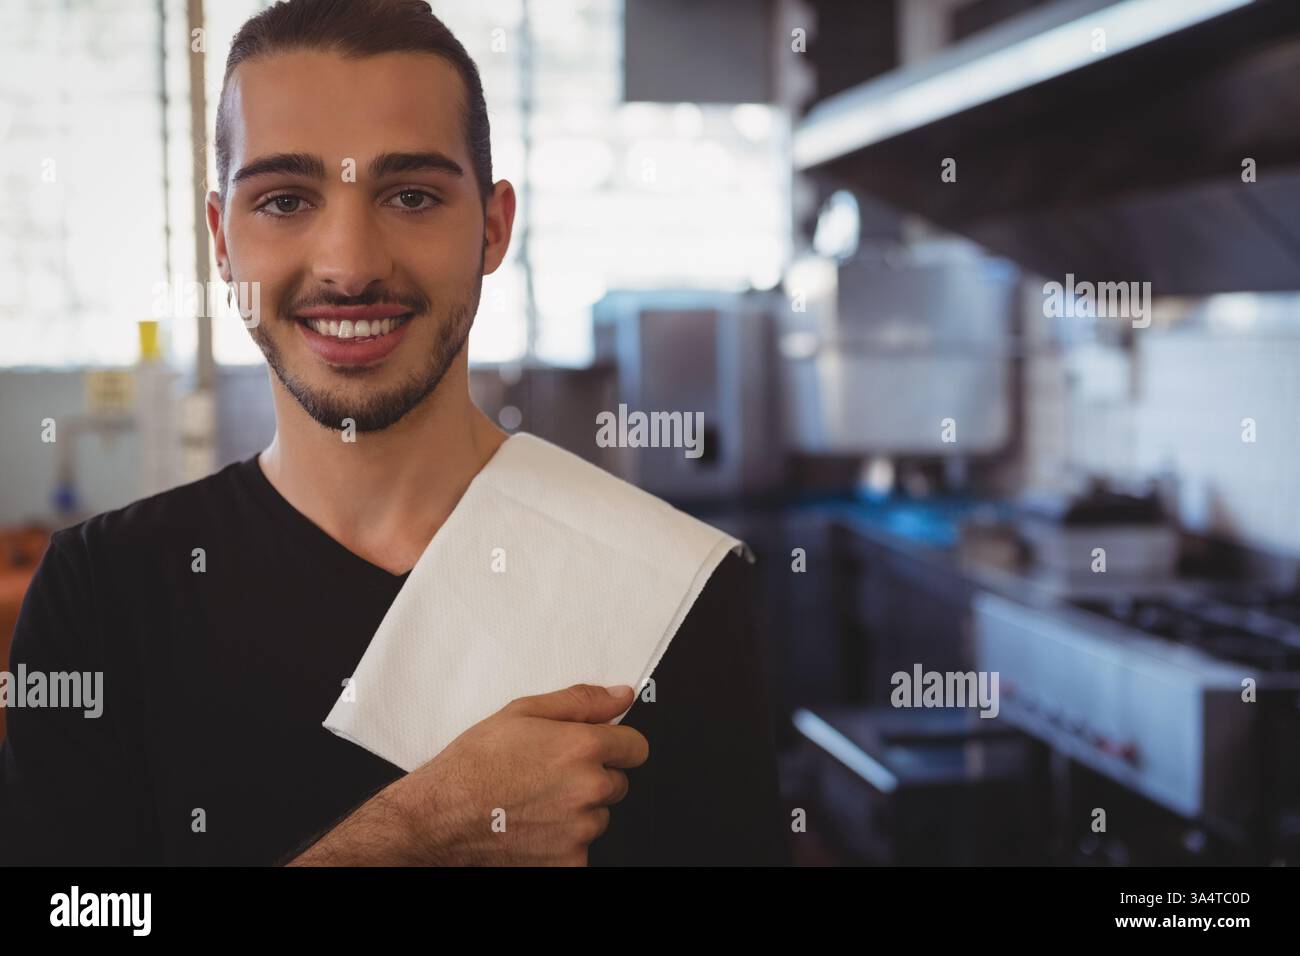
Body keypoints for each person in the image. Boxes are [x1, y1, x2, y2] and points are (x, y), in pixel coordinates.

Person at [0, 0, 787, 867]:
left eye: (411, 195)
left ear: (492, 228)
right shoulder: (99, 598)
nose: (350, 264)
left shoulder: (675, 588)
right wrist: (417, 834)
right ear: (222, 240)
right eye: (286, 199)